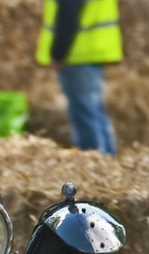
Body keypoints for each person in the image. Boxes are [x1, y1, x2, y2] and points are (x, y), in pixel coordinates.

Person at [36, 0, 122, 155]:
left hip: (77, 53)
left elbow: (68, 16)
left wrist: (58, 54)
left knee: (84, 112)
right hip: (93, 49)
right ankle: (108, 159)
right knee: (94, 109)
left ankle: (94, 161)